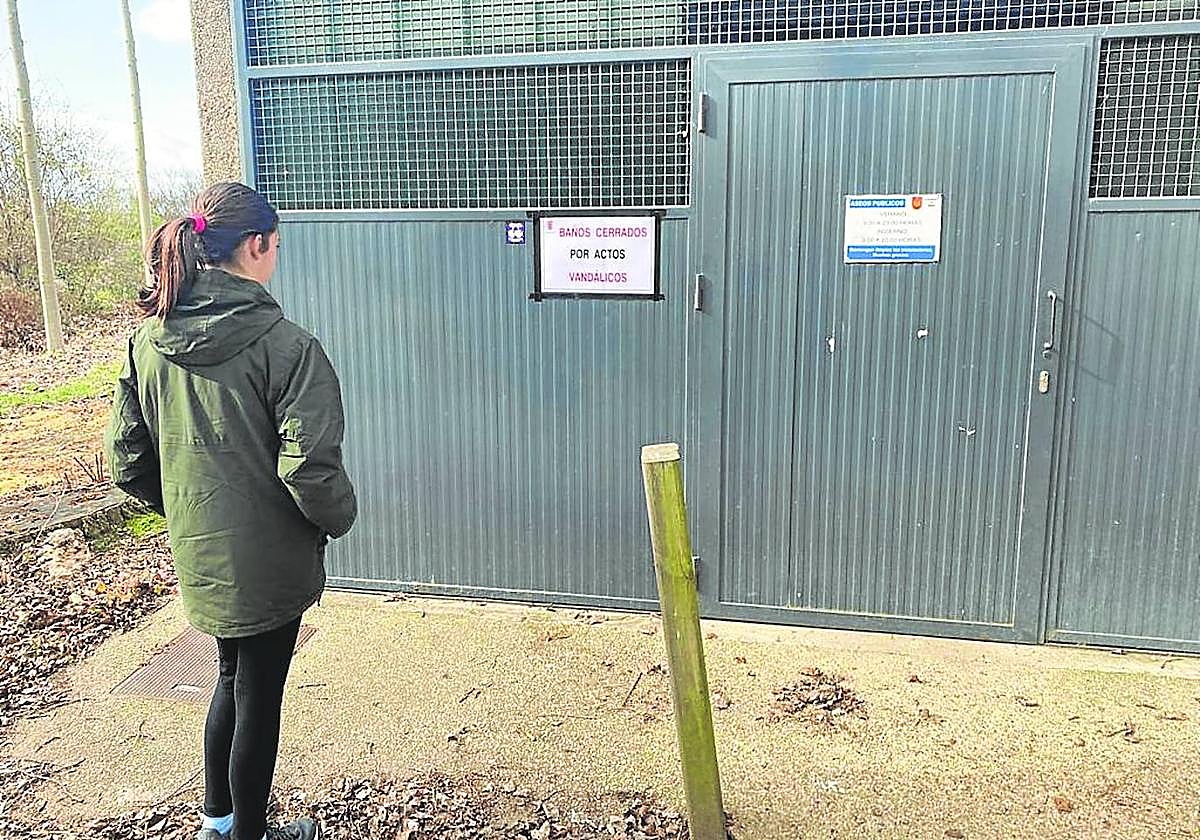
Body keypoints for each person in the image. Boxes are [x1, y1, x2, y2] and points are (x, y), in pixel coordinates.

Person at [105, 182, 357, 840]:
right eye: (275, 247)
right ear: (256, 246)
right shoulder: (289, 347)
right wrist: (339, 517)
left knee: (228, 674)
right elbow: (310, 469)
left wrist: (189, 510)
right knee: (258, 695)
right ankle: (249, 833)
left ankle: (217, 819)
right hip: (271, 561)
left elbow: (127, 461)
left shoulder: (146, 343)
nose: (276, 257)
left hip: (204, 553)